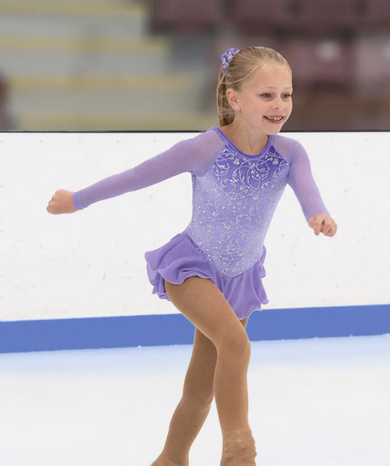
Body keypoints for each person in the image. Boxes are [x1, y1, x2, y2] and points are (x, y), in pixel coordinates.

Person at [47, 46, 337, 466]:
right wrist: (77, 199)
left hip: (239, 277)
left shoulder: (290, 153)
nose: (279, 106)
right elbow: (135, 177)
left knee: (201, 390)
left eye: (286, 95)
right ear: (234, 98)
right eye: (267, 95)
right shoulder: (205, 148)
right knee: (235, 345)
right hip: (191, 268)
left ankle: (170, 458)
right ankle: (239, 449)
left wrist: (319, 216)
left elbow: (309, 192)